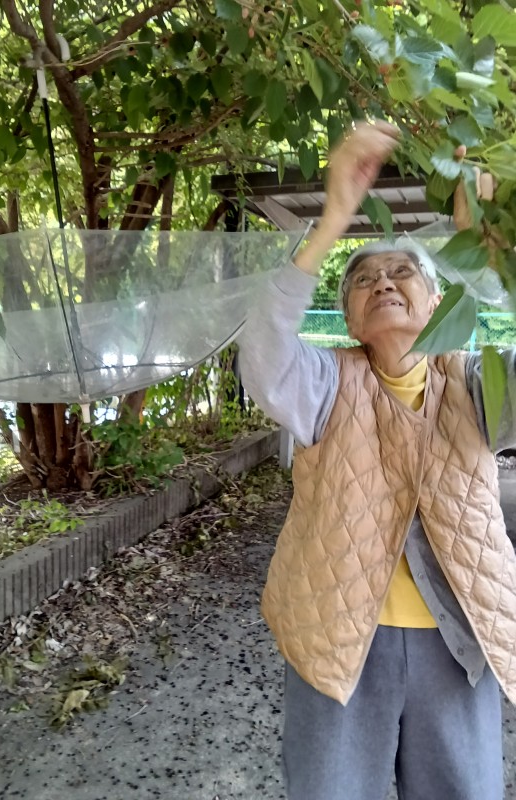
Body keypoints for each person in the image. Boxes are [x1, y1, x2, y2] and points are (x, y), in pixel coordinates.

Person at [239, 120, 516, 800]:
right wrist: (332, 222)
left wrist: (491, 250)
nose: (383, 282)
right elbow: (263, 357)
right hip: (337, 648)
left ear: (437, 300)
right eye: (363, 279)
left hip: (458, 647)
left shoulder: (476, 381)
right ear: (351, 321)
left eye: (402, 272)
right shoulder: (327, 383)